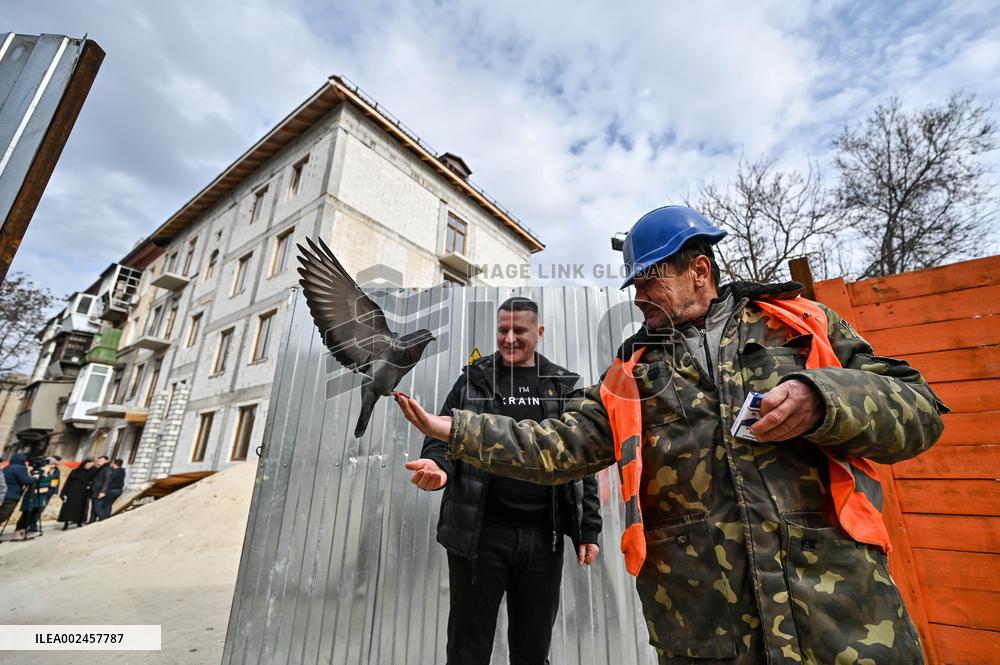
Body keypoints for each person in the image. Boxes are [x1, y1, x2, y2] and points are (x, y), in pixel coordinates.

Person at [395, 206, 948, 664]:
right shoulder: (634, 371)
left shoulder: (797, 326)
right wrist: (455, 429)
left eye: (649, 280)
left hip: (840, 619)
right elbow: (560, 444)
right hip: (703, 631)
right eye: (633, 284)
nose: (638, 296)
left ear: (699, 270)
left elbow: (921, 410)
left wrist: (825, 397)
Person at [405, 297, 602, 665]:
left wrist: (587, 528)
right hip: (479, 536)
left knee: (532, 653)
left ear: (539, 333)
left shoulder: (561, 386)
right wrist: (438, 466)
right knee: (467, 651)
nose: (509, 338)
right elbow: (443, 434)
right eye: (503, 330)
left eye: (519, 331)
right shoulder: (474, 380)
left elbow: (581, 459)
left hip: (544, 539)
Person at [14, 458, 56, 538]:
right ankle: (19, 531)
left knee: (35, 513)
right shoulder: (38, 473)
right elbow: (33, 485)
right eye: (48, 465)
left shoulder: (48, 473)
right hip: (32, 496)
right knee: (26, 514)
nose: (50, 467)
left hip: (41, 497)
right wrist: (47, 486)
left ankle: (27, 529)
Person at [58, 458, 97, 529]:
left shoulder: (91, 473)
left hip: (82, 493)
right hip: (71, 492)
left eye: (90, 465)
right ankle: (66, 524)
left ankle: (79, 522)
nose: (89, 466)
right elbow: (68, 482)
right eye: (88, 464)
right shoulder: (75, 471)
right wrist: (64, 492)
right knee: (68, 509)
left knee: (80, 509)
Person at [0, 454, 35, 530]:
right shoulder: (20, 468)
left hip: (3, 494)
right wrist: (34, 478)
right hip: (12, 496)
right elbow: (26, 481)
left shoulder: (6, 468)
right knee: (4, 514)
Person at [88, 456, 110, 523]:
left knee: (98, 508)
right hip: (94, 491)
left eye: (101, 461)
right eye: (98, 461)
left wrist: (103, 491)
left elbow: (107, 481)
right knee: (93, 508)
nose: (99, 462)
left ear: (106, 461)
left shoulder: (107, 469)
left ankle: (104, 522)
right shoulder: (100, 468)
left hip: (100, 492)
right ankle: (91, 522)